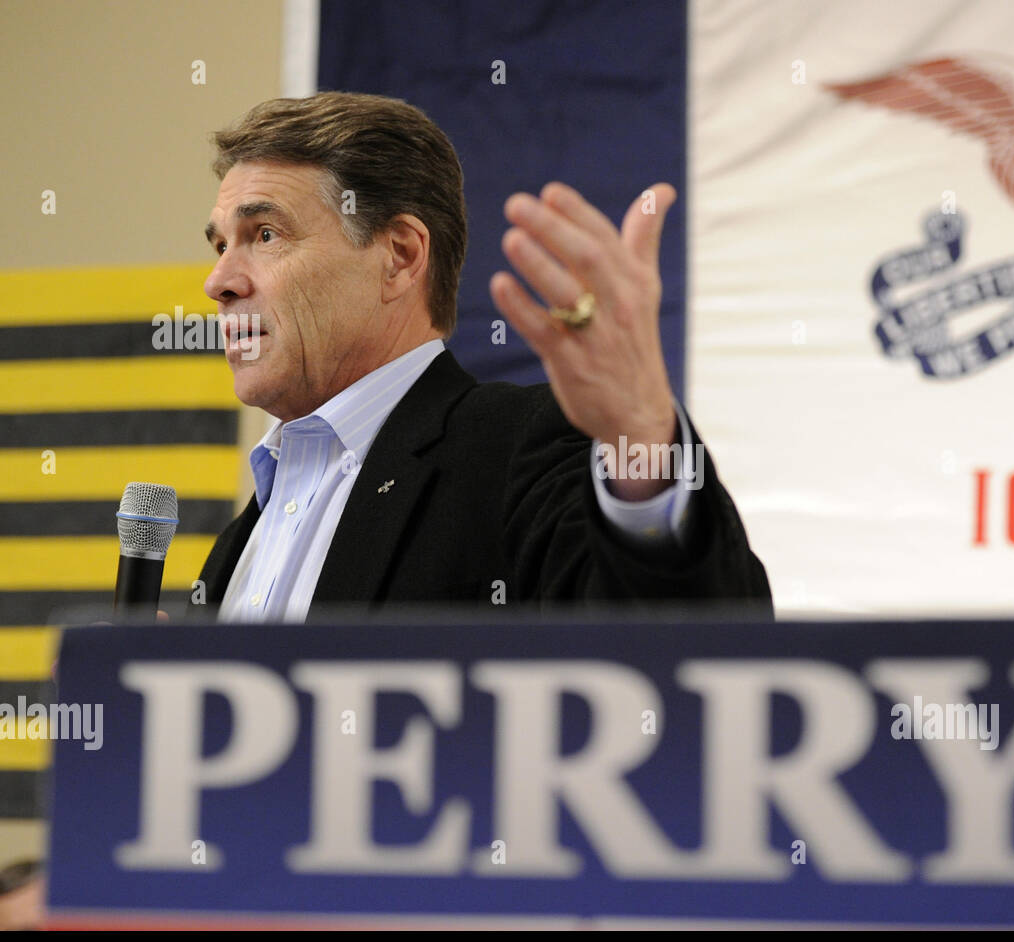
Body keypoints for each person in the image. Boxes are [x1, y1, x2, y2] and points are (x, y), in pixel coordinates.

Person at [191, 92, 770, 620]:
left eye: (264, 234)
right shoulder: (232, 550)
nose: (219, 281)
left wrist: (643, 440)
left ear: (399, 255)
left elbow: (696, 657)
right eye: (221, 245)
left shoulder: (529, 447)